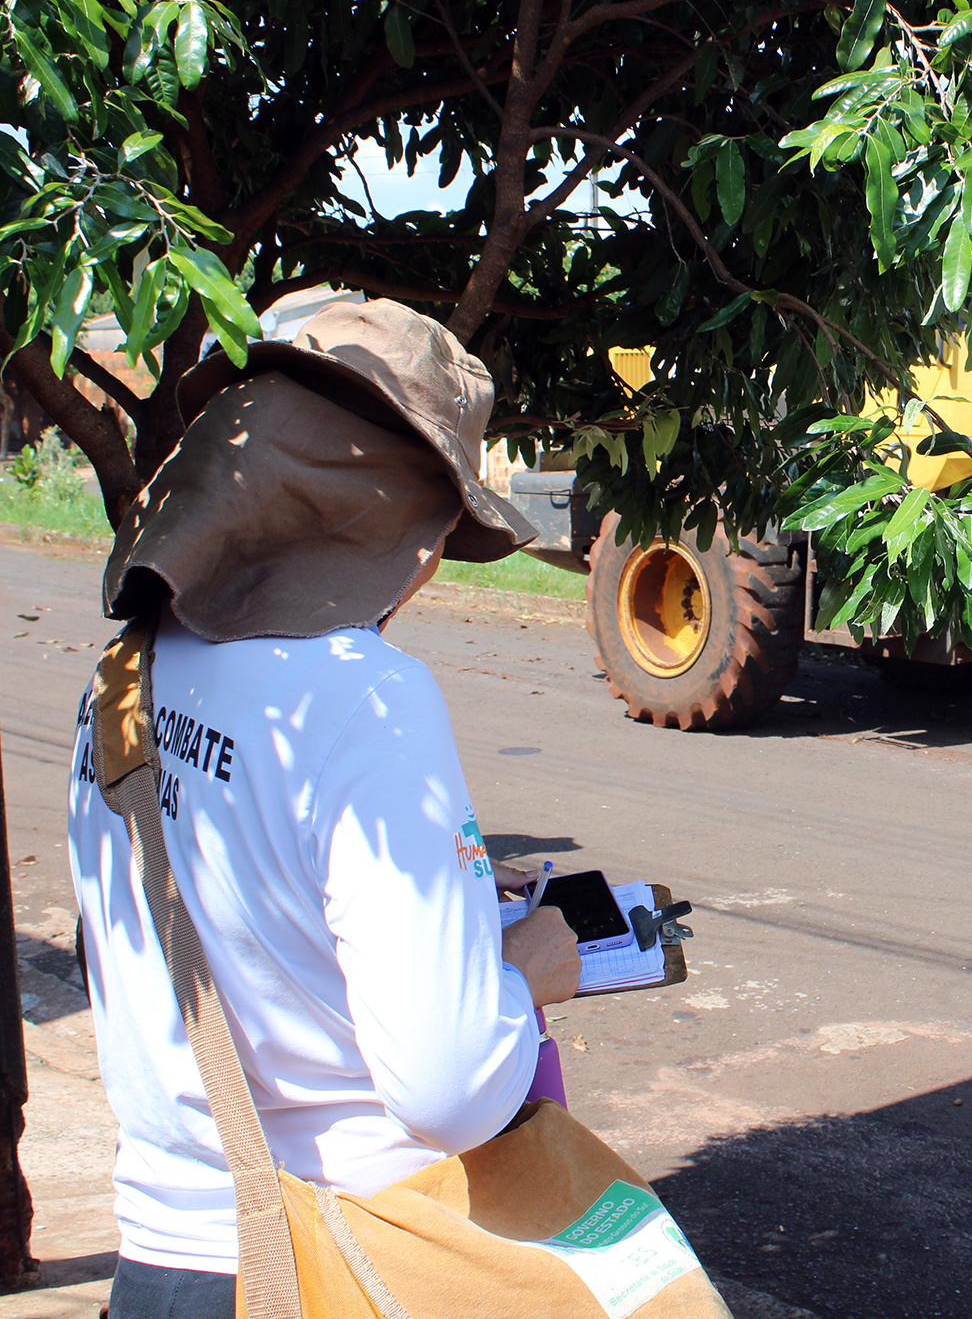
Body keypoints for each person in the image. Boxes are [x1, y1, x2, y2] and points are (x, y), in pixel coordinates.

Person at [66, 299, 584, 1317]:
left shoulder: (119, 674)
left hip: (160, 1263)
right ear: (390, 524)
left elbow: (166, 932)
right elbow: (447, 1091)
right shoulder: (361, 695)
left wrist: (449, 897)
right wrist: (520, 977)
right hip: (326, 1265)